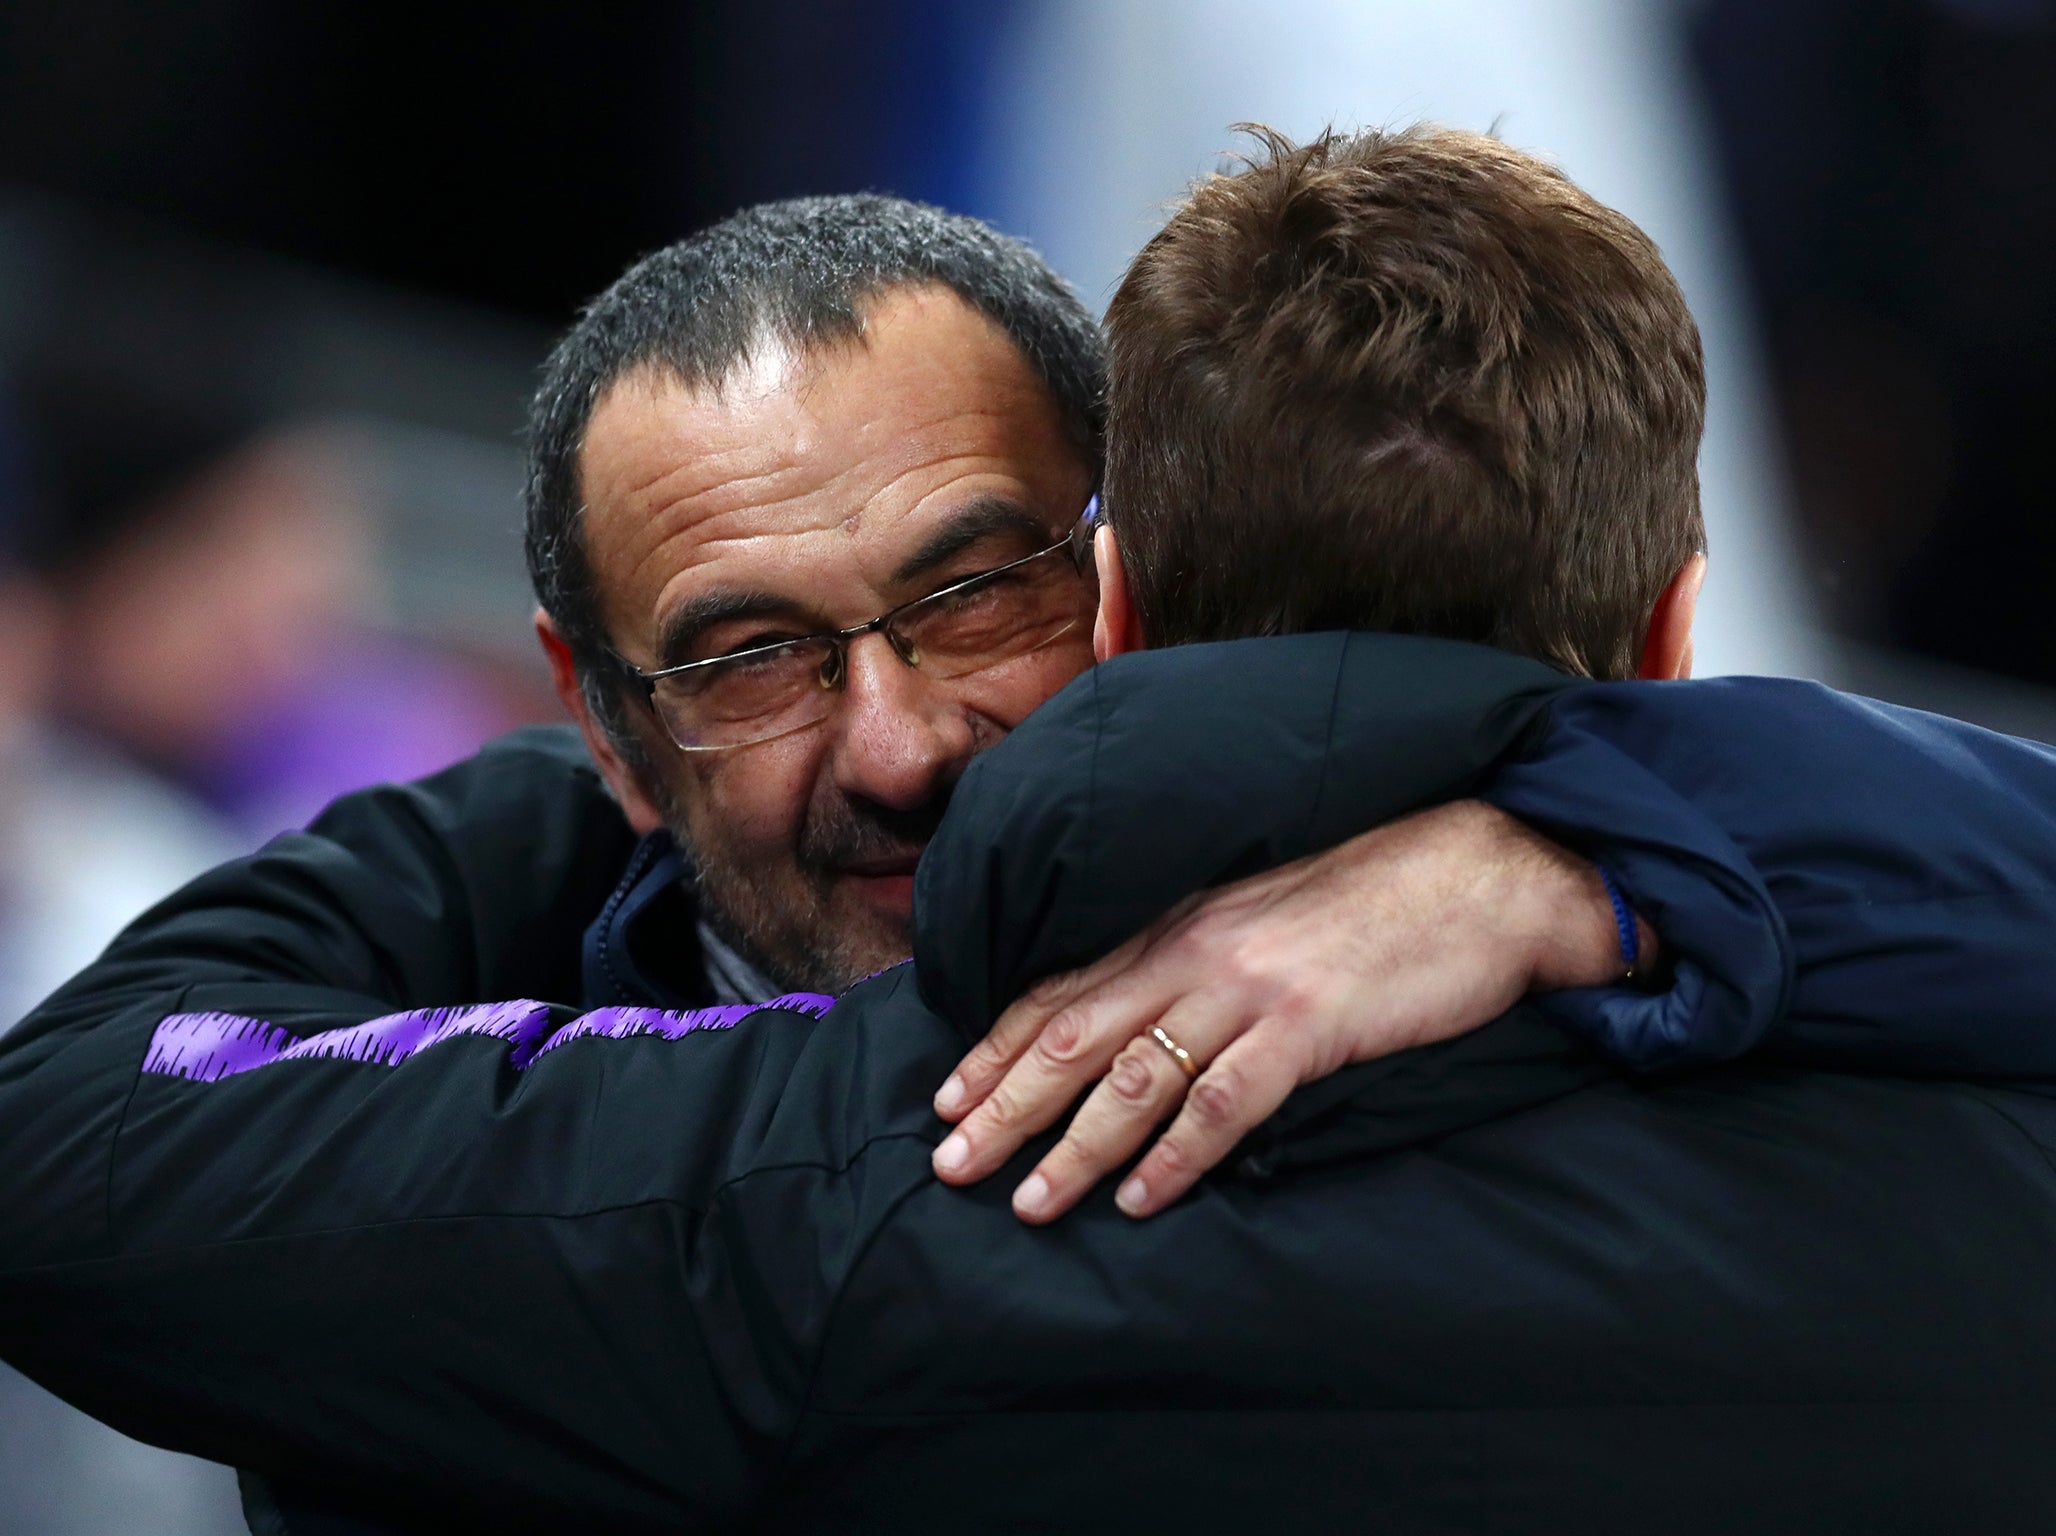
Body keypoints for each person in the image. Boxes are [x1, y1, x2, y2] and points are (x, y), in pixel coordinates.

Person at [9, 128, 2056, 1532]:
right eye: (742, 661)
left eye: (970, 591)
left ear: (1124, 584)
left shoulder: (825, 1199)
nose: (893, 745)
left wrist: (1569, 871)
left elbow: (73, 1149)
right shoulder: (1971, 1114)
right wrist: (1616, 853)